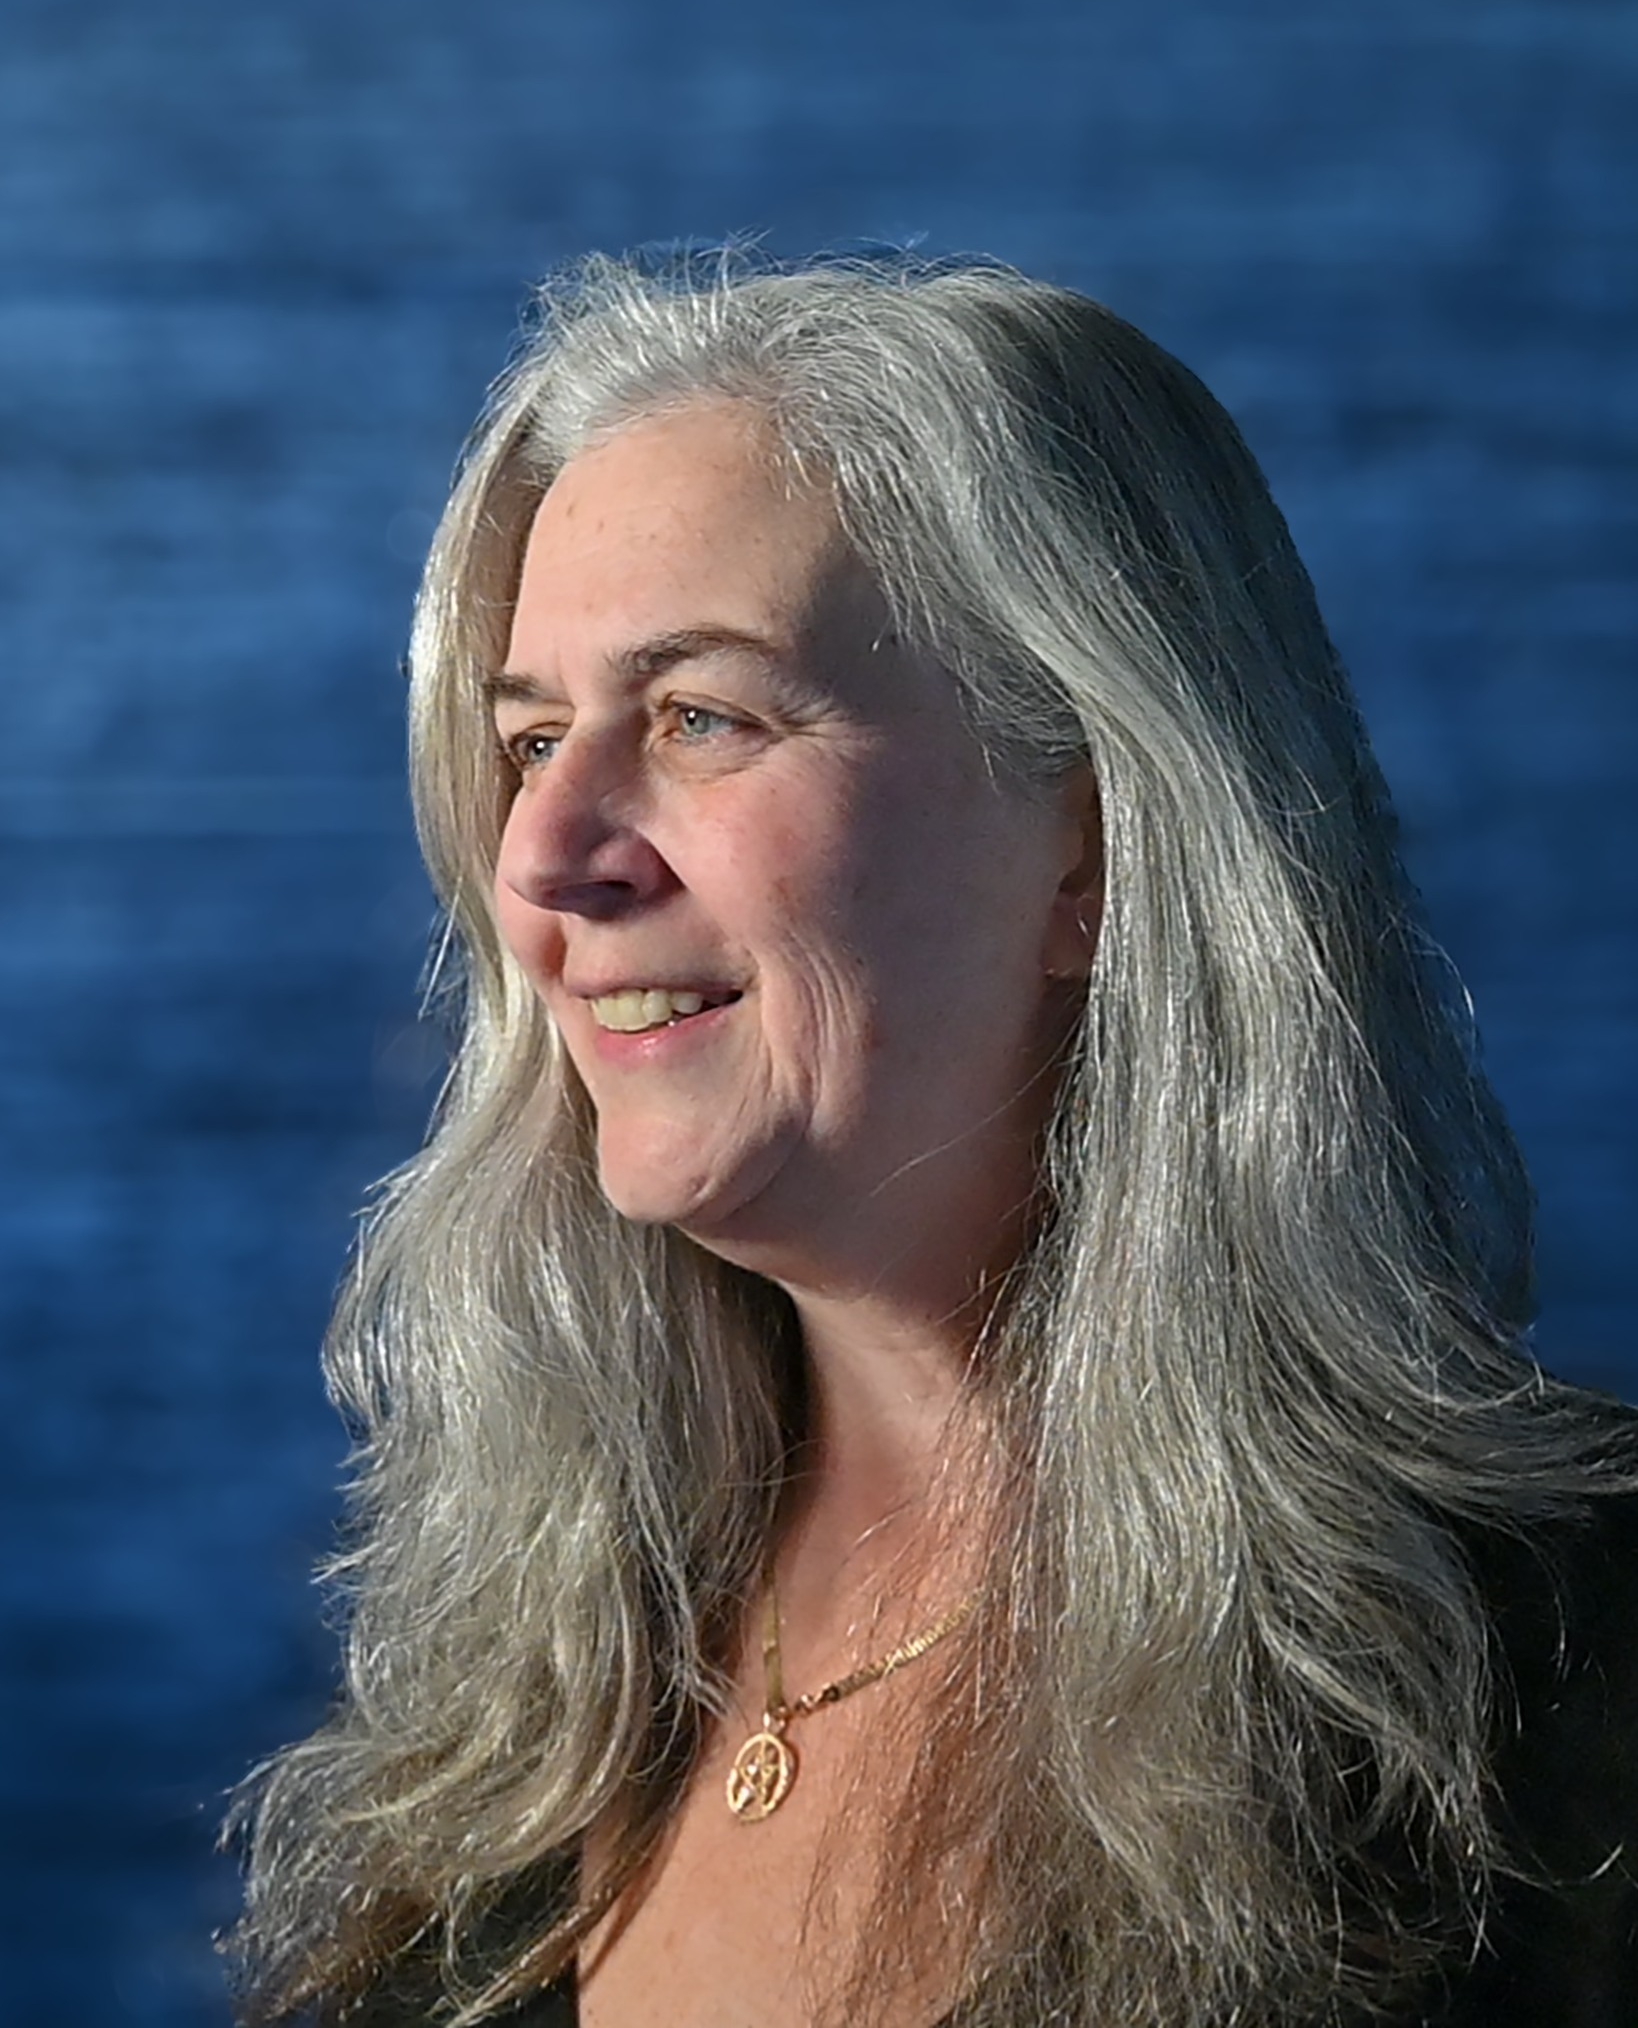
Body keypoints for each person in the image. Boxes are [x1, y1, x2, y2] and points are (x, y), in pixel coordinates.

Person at [227, 249, 1638, 2028]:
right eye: (529, 741)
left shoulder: (1572, 1689)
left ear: (1094, 847)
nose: (544, 857)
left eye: (699, 718)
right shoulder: (529, 1700)